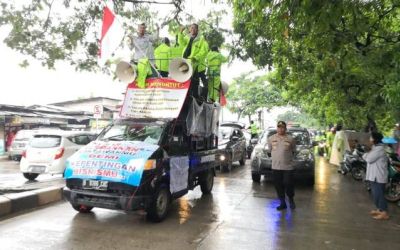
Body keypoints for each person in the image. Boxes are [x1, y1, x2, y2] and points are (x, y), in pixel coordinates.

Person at [267, 121, 297, 210]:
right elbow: (269, 151)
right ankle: (283, 203)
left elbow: (294, 151)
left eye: (282, 127)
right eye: (279, 127)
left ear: (285, 128)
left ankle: (291, 200)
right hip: (276, 167)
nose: (281, 129)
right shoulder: (271, 138)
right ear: (277, 128)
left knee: (288, 184)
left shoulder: (291, 139)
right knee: (278, 185)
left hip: (288, 167)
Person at [178, 23, 209, 100]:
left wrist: (196, 57)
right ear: (189, 29)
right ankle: (186, 95)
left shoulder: (201, 39)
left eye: (194, 28)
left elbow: (204, 51)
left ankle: (195, 97)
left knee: (194, 80)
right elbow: (181, 43)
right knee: (184, 78)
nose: (192, 30)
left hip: (194, 63)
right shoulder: (187, 37)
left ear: (197, 30)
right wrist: (180, 33)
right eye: (191, 28)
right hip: (185, 61)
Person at [363, 132, 389, 220]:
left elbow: (369, 159)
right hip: (374, 175)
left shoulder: (380, 149)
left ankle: (384, 213)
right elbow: (368, 156)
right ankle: (379, 209)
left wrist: (366, 155)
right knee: (375, 194)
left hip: (378, 175)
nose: (370, 139)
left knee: (379, 194)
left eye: (371, 137)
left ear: (375, 139)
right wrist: (367, 155)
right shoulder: (375, 148)